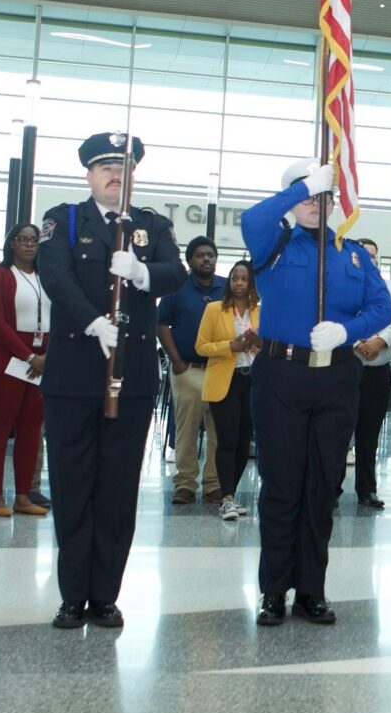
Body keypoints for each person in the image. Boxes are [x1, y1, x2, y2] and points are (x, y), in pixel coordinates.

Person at [38, 132, 188, 630]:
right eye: (105, 166)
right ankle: (71, 595)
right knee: (72, 484)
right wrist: (91, 320)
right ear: (89, 174)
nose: (114, 175)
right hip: (73, 375)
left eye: (123, 167)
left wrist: (142, 273)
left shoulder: (151, 225)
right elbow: (54, 276)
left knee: (118, 490)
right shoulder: (65, 219)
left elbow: (177, 274)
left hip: (132, 377)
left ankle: (105, 595)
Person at [241, 159, 391, 627]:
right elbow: (253, 219)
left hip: (336, 378)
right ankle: (273, 591)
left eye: (321, 197)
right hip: (281, 376)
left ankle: (312, 589)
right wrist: (303, 187)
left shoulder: (352, 255)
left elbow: (382, 307)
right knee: (282, 487)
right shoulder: (274, 243)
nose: (313, 204)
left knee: (323, 487)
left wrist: (347, 331)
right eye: (305, 196)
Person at [0, 222, 50, 518]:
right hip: (6, 361)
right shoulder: (0, 275)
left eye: (34, 240)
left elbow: (58, 317)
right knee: (0, 428)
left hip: (41, 361)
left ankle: (22, 496)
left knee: (32, 431)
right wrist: (27, 356)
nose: (29, 245)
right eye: (23, 239)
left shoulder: (46, 277)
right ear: (12, 244)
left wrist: (45, 356)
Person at [157, 236, 224, 505]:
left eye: (210, 254)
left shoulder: (227, 288)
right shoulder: (177, 288)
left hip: (221, 370)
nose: (206, 259)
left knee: (219, 430)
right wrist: (176, 361)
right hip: (188, 369)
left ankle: (213, 484)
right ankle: (185, 483)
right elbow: (162, 324)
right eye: (200, 255)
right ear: (190, 260)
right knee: (186, 430)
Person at [196, 259, 261, 521]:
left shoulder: (260, 311)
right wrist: (230, 347)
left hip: (253, 380)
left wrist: (259, 343)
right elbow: (201, 346)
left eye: (244, 279)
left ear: (252, 283)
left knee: (244, 442)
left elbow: (272, 345)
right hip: (226, 379)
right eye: (235, 278)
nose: (239, 283)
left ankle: (231, 494)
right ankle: (226, 498)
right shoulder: (214, 309)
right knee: (227, 440)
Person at [349, 238, 391, 509]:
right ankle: (329, 488)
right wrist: (357, 343)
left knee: (369, 434)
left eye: (373, 256)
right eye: (363, 255)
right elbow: (333, 320)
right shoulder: (342, 287)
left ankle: (367, 490)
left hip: (377, 373)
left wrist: (380, 340)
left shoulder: (389, 289)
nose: (369, 260)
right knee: (337, 432)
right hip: (345, 370)